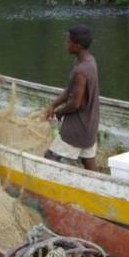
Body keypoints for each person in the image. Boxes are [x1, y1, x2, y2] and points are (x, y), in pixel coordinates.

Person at [43, 25, 100, 172]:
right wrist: (53, 105)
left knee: (50, 157)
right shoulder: (88, 61)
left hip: (77, 126)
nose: (65, 45)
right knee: (88, 159)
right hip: (90, 122)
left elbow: (75, 104)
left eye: (68, 42)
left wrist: (59, 113)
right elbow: (70, 90)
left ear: (78, 46)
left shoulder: (81, 71)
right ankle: (98, 187)